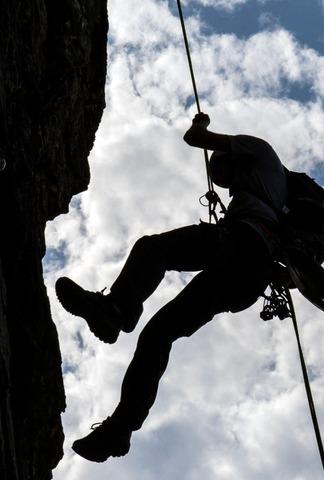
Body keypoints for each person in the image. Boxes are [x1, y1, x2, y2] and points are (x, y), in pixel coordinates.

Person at [56, 112, 288, 462]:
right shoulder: (272, 196)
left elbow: (194, 140)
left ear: (235, 160)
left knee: (153, 250)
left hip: (238, 244)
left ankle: (116, 309)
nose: (222, 181)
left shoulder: (260, 152)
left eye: (222, 173)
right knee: (157, 335)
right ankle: (121, 429)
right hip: (248, 277)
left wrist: (202, 125)